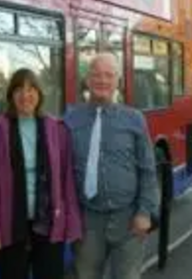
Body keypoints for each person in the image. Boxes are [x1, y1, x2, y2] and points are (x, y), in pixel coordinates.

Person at [0, 68, 82, 279]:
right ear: (11, 96)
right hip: (10, 225)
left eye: (31, 88)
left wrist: (72, 223)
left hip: (50, 223)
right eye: (19, 89)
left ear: (39, 94)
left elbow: (67, 181)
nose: (25, 95)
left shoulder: (57, 129)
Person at [64, 53, 159, 279]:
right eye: (96, 74)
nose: (102, 81)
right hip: (87, 222)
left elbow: (147, 170)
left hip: (128, 220)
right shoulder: (69, 119)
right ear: (87, 80)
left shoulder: (135, 119)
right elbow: (62, 173)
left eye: (109, 75)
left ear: (118, 80)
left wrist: (145, 212)